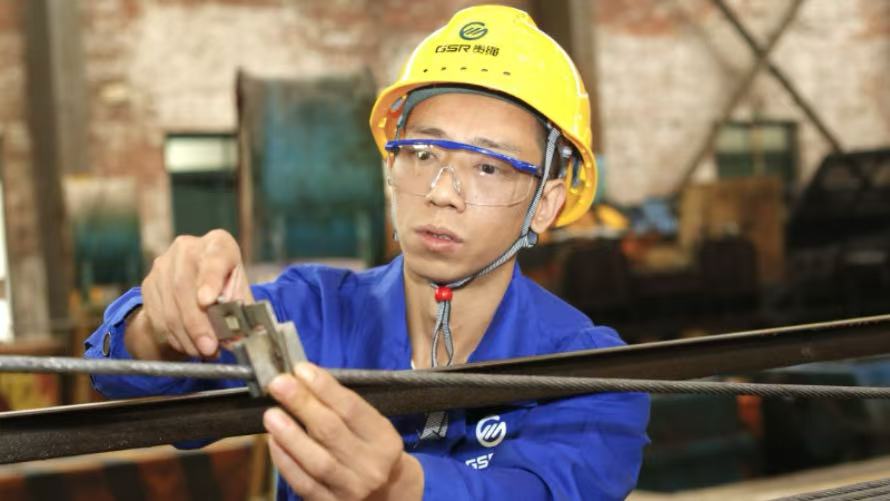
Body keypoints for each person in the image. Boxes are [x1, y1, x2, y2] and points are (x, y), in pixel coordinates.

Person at [85, 5, 649, 500]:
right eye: (422, 153)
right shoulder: (316, 311)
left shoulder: (591, 372)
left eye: (488, 166)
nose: (442, 192)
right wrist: (160, 324)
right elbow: (134, 381)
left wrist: (403, 489)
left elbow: (549, 491)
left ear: (545, 204)